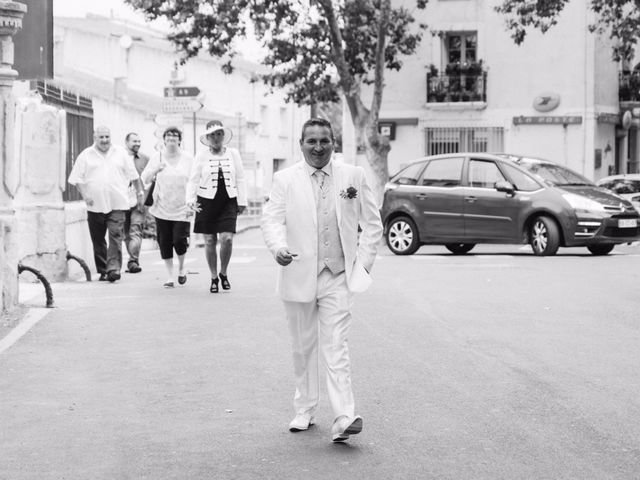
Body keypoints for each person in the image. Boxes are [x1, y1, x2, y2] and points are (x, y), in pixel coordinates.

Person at [261, 117, 382, 443]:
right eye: (311, 141)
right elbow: (271, 220)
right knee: (303, 348)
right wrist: (278, 248)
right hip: (298, 273)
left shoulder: (353, 176)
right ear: (301, 144)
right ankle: (305, 408)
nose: (318, 147)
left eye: (324, 141)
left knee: (336, 346)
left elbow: (373, 225)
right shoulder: (284, 179)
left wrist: (362, 266)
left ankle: (344, 416)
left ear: (333, 143)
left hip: (338, 276)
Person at [68, 126, 144, 282]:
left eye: (107, 137)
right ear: (94, 138)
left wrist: (140, 193)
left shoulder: (121, 153)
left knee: (116, 236)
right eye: (101, 137)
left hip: (118, 203)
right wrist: (85, 195)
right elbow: (76, 179)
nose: (104, 140)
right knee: (98, 239)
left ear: (111, 137)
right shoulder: (85, 155)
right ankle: (103, 270)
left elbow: (133, 175)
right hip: (95, 205)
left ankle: (113, 269)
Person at [186, 120, 247, 293]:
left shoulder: (233, 153)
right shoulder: (201, 156)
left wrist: (242, 201)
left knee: (227, 238)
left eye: (218, 134)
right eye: (212, 134)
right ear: (207, 137)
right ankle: (213, 276)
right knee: (210, 240)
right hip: (206, 200)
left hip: (228, 200)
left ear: (223, 135)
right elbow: (193, 179)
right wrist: (190, 200)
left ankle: (224, 272)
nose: (215, 137)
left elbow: (241, 178)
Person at [141, 127, 194, 288]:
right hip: (162, 207)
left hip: (182, 207)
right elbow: (145, 178)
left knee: (179, 240)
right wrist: (156, 169)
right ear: (164, 140)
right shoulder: (157, 157)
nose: (172, 138)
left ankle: (182, 267)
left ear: (180, 140)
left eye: (175, 136)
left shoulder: (188, 158)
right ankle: (170, 276)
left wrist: (193, 201)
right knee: (164, 242)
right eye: (168, 136)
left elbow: (195, 180)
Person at [123, 132, 150, 274]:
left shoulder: (145, 159)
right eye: (134, 141)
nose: (137, 143)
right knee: (127, 234)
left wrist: (146, 199)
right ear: (126, 142)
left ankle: (133, 261)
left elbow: (151, 179)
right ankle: (132, 259)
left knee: (136, 231)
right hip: (121, 200)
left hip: (140, 200)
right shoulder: (119, 157)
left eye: (139, 141)